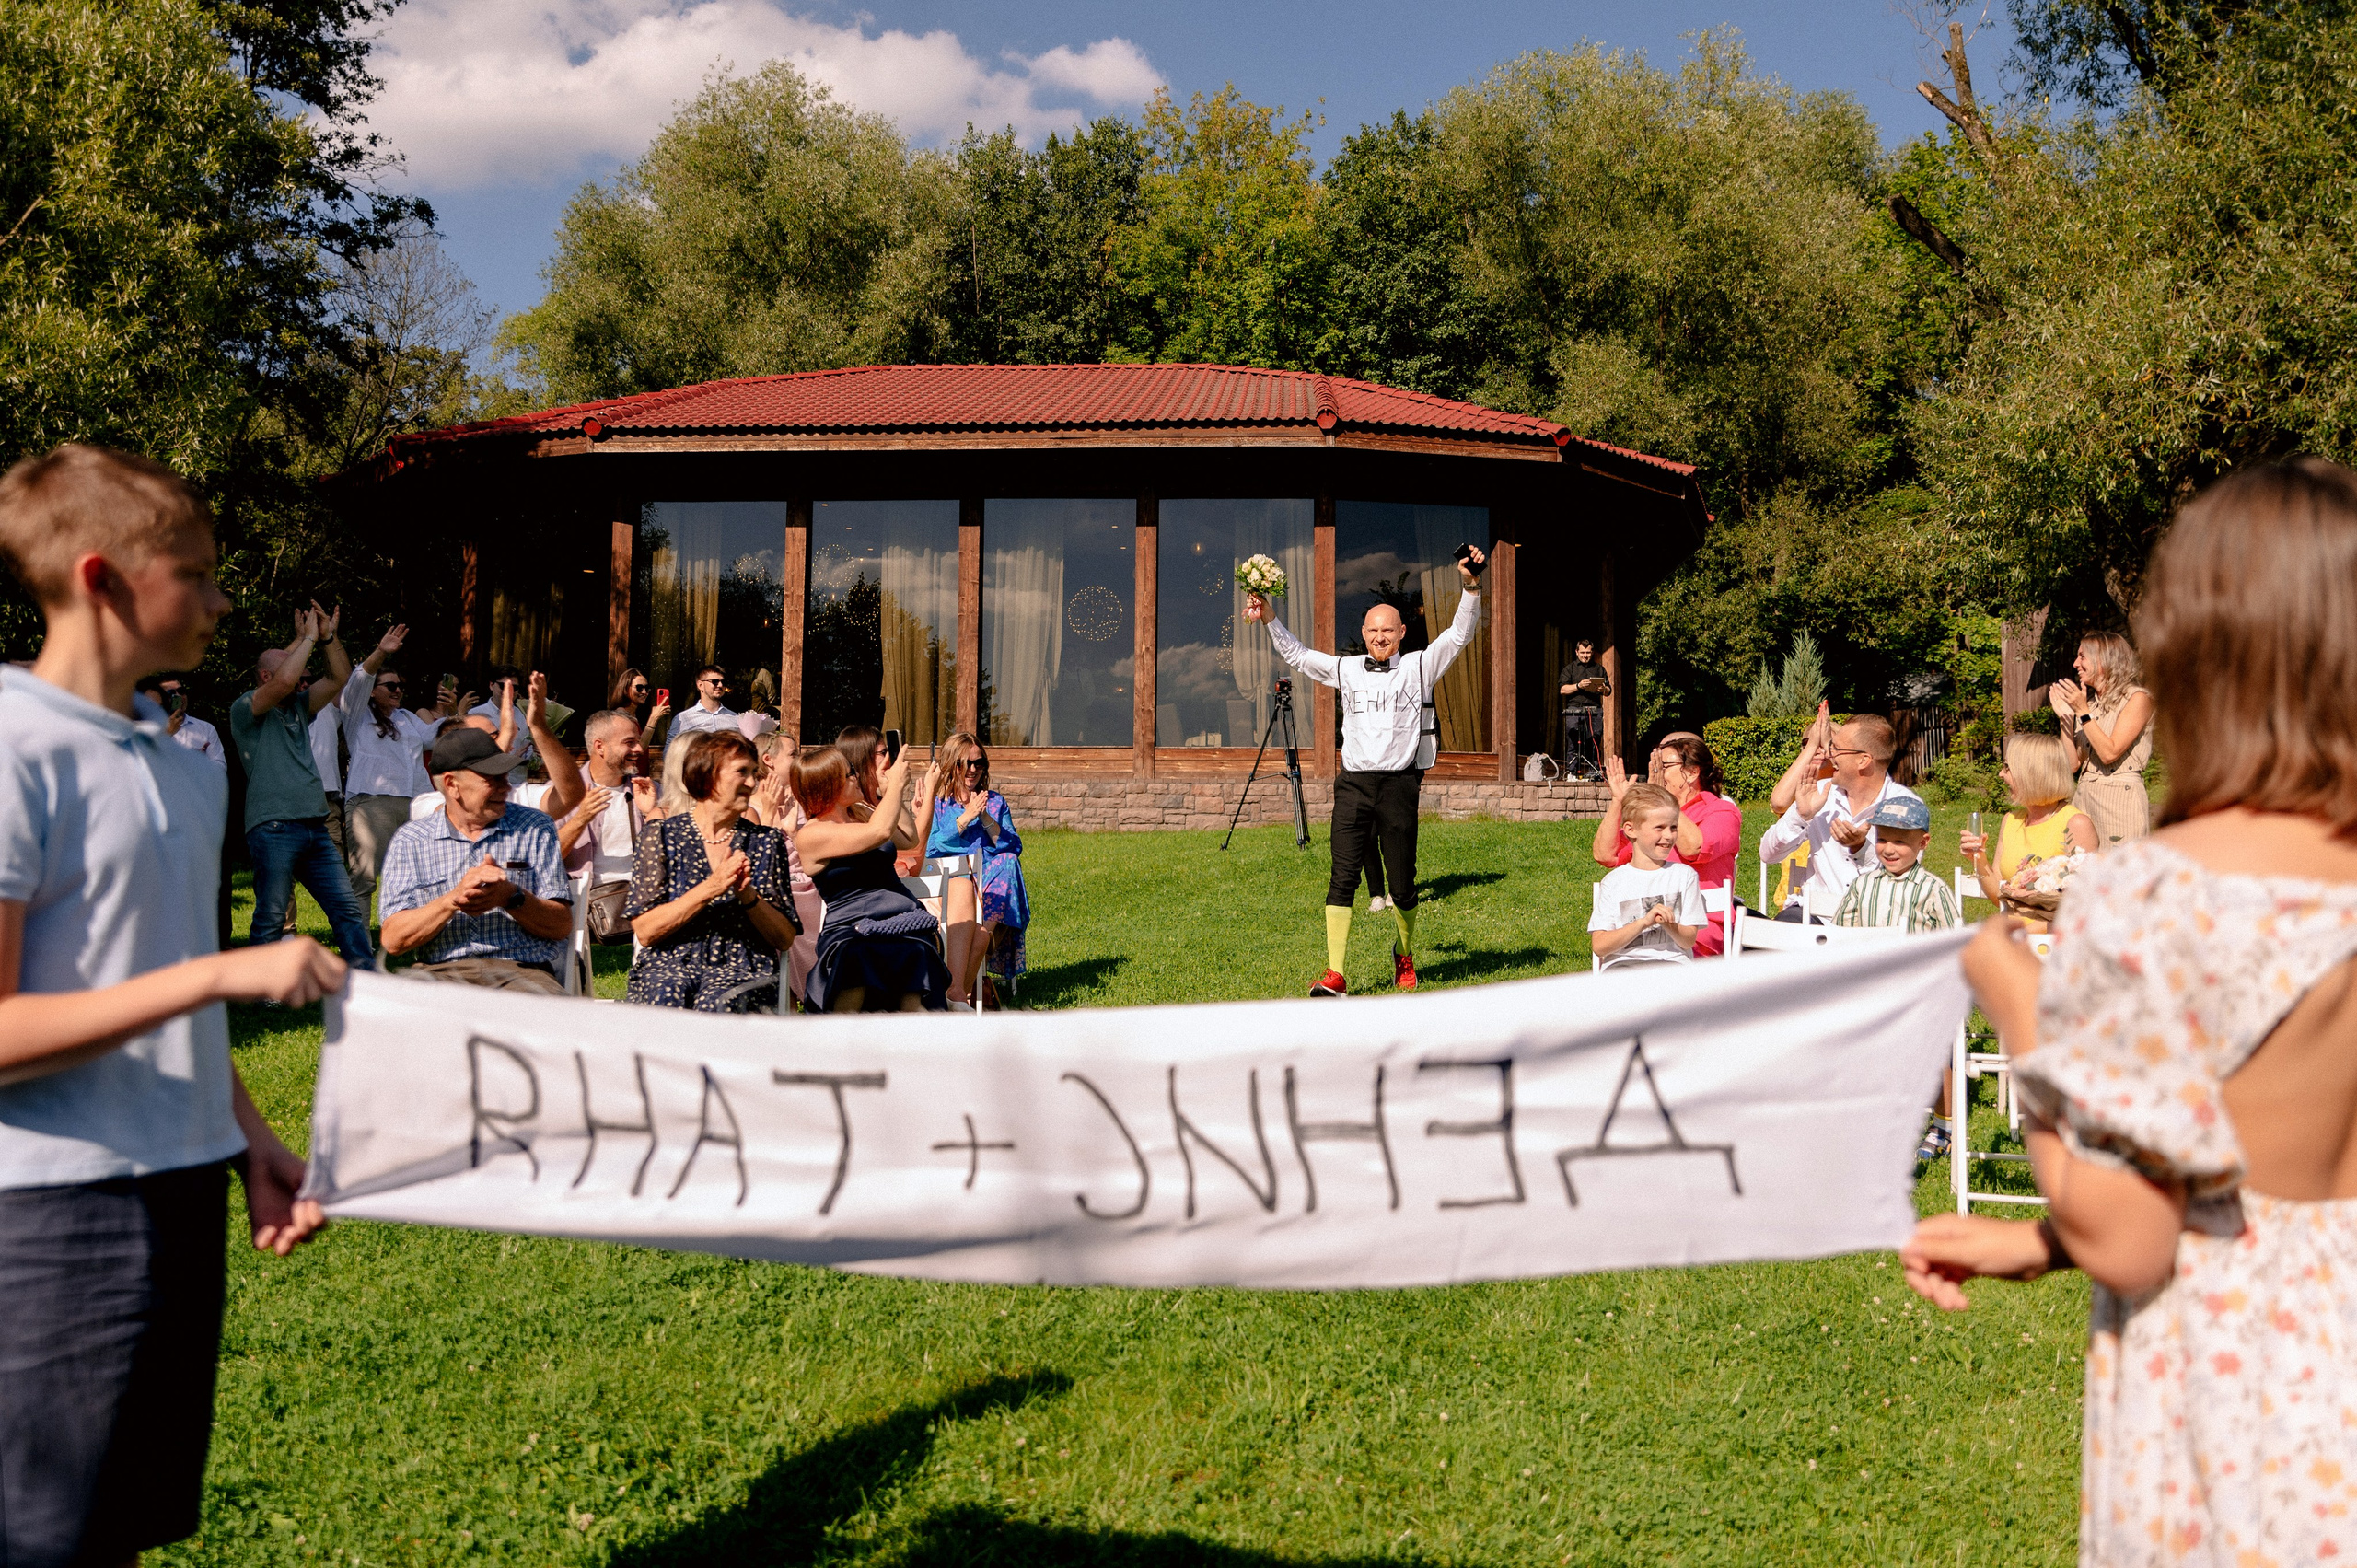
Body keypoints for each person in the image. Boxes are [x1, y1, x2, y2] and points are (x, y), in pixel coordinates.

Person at [1901, 458, 2357, 1564]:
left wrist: (2019, 998)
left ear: (2196, 656)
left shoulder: (2154, 896)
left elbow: (2137, 1228)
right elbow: (2257, 1177)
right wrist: (2034, 1242)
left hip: (2239, 1422)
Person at [0, 444, 343, 1568]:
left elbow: (152, 971)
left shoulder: (185, 761)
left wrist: (248, 1142)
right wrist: (220, 973)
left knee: (124, 1528)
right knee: (44, 1539)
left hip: (180, 1191)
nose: (221, 596)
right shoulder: (12, 748)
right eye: (192, 572)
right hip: (51, 1220)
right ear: (101, 579)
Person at [1247, 546, 1486, 995]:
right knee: (1342, 876)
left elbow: (1458, 636)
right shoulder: (1346, 668)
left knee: (1403, 883)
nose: (1379, 637)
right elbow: (1298, 657)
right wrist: (1269, 617)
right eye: (1373, 630)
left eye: (1388, 630)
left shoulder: (1419, 665)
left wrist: (1471, 585)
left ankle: (1404, 954)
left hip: (1398, 786)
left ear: (1401, 633)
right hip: (1353, 785)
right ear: (1364, 632)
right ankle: (1335, 972)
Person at [228, 603, 377, 963]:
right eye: (292, 668)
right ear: (265, 676)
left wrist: (327, 638)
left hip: (315, 824)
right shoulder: (246, 706)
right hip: (274, 827)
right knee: (271, 915)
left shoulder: (298, 706)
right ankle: (263, 989)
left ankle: (365, 977)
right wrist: (308, 637)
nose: (301, 677)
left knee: (345, 909)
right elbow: (283, 680)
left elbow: (340, 677)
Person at [377, 728, 574, 993]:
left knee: (552, 1024)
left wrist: (511, 896)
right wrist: (452, 900)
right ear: (451, 784)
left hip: (521, 971)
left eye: (505, 777)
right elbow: (393, 940)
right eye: (493, 779)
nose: (507, 788)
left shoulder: (535, 827)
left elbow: (560, 926)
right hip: (438, 974)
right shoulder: (411, 841)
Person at [1829, 795, 1965, 1157]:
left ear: (1923, 842)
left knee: (1938, 1047)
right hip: (1871, 989)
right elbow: (1841, 936)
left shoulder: (1933, 890)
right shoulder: (1862, 886)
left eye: (1900, 841)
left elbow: (1953, 945)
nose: (1889, 849)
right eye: (1883, 839)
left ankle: (1943, 1127)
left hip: (1922, 991)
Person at [623, 731, 799, 1012]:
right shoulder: (662, 836)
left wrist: (748, 896)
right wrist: (712, 886)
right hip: (669, 962)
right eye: (742, 772)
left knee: (719, 1003)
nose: (752, 783)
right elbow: (645, 931)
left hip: (742, 965)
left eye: (754, 773)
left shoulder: (765, 842)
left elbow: (784, 938)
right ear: (707, 775)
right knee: (665, 994)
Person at [789, 741, 950, 1013]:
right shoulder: (811, 835)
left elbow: (908, 838)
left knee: (912, 978)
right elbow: (879, 833)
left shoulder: (862, 812)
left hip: (904, 921)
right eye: (849, 772)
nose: (856, 776)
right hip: (849, 930)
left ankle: (926, 1048)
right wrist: (896, 787)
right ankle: (842, 1045)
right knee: (855, 957)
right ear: (829, 784)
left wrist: (891, 793)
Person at [1758, 711, 1922, 919]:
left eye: (1836, 748)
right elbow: (1767, 855)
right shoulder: (1818, 793)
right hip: (1813, 919)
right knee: (1775, 927)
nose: (1828, 754)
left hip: (1874, 925)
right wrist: (1801, 815)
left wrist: (1861, 848)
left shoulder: (1905, 807)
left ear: (1863, 760)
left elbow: (1900, 879)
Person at [1589, 733, 1742, 956]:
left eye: (1665, 766)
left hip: (1696, 929)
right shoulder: (1652, 816)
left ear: (1692, 772)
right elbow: (1605, 855)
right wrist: (1618, 801)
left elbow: (1693, 849)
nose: (1656, 772)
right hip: (1642, 923)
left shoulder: (1722, 811)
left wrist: (1662, 798)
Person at [338, 627, 449, 907]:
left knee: (420, 878)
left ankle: (412, 942)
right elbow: (357, 681)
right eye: (390, 686)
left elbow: (433, 736)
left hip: (414, 804)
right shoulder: (356, 716)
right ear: (373, 691)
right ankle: (357, 950)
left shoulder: (406, 717)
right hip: (371, 804)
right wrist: (382, 652)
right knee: (364, 880)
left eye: (400, 686)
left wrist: (455, 715)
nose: (398, 690)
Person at [926, 731, 1030, 1007]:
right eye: (965, 763)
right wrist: (965, 817)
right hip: (950, 888)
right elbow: (930, 849)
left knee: (1008, 862)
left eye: (979, 762)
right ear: (951, 764)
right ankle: (961, 991)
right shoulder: (937, 804)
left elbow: (1011, 846)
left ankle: (959, 985)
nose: (973, 769)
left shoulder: (994, 802)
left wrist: (983, 816)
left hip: (988, 895)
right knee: (970, 885)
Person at [1960, 732, 2097, 932]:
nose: (2001, 774)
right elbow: (1999, 897)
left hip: (2054, 944)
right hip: (2016, 938)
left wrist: (2023, 935)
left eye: (2007, 767)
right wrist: (1979, 859)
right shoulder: (2011, 820)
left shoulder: (2076, 824)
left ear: (2031, 772)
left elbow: (2085, 907)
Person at [2050, 630, 2155, 847]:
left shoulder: (2137, 699)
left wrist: (2082, 712)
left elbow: (2110, 753)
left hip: (2120, 802)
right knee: (2078, 872)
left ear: (2104, 659)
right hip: (2085, 799)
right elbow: (2071, 764)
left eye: (2082, 656)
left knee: (2120, 876)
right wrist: (2066, 719)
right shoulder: (2090, 706)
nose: (2075, 664)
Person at [1587, 782, 1703, 970]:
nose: (1668, 835)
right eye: (1660, 827)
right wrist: (1643, 923)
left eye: (1673, 827)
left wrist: (1669, 925)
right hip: (1623, 968)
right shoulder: (1614, 882)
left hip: (1672, 966)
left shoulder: (1684, 876)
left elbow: (1688, 940)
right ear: (1631, 830)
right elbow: (1600, 946)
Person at [136, 675, 226, 772]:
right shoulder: (144, 729)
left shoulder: (206, 728)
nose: (178, 696)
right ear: (161, 698)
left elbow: (220, 768)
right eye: (171, 692)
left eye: (181, 691)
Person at [1557, 636, 1609, 778]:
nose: (1585, 656)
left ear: (1592, 652)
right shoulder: (1570, 669)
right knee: (1573, 738)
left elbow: (1609, 691)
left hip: (1594, 709)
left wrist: (1602, 689)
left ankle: (1595, 771)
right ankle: (1572, 771)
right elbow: (1562, 690)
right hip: (1574, 708)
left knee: (1595, 739)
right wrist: (1578, 686)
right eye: (1583, 653)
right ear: (1577, 652)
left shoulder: (1599, 669)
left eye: (1588, 653)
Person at [668, 663, 738, 741]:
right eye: (715, 681)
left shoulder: (735, 718)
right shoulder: (682, 719)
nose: (720, 685)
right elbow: (670, 751)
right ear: (700, 685)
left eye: (723, 682)